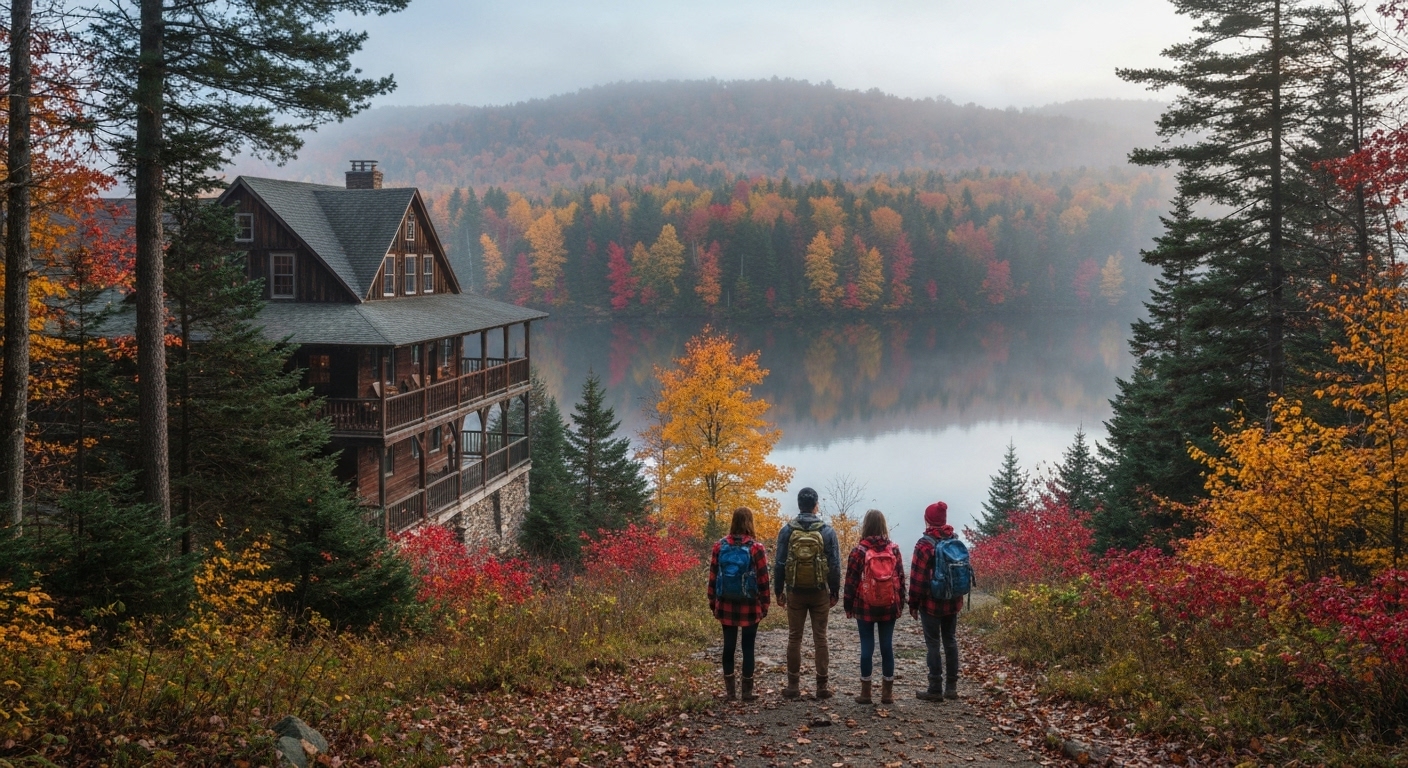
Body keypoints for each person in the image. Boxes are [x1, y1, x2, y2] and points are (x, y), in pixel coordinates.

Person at [774, 486, 841, 699]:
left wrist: (778, 591)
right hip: (820, 591)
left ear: (799, 504)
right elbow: (835, 564)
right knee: (820, 638)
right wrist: (835, 591)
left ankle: (793, 686)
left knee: (795, 637)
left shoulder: (787, 530)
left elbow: (780, 563)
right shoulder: (827, 531)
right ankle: (821, 687)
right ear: (815, 505)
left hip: (795, 591)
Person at [707, 507, 771, 702]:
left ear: (733, 522)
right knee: (748, 647)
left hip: (725, 603)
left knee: (728, 646)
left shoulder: (719, 546)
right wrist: (765, 604)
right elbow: (763, 579)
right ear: (750, 522)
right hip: (750, 605)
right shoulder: (756, 548)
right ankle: (747, 692)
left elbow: (713, 576)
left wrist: (713, 601)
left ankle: (730, 693)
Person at [843, 509, 906, 705]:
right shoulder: (893, 549)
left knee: (866, 646)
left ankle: (866, 693)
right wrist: (900, 603)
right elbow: (901, 578)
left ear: (866, 526)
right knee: (887, 646)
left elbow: (851, 581)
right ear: (883, 526)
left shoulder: (859, 551)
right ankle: (887, 694)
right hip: (889, 605)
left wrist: (848, 605)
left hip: (865, 605)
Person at [908, 501, 965, 701]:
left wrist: (913, 604)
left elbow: (917, 579)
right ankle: (951, 688)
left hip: (931, 604)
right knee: (950, 641)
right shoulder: (955, 540)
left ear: (928, 520)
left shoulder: (924, 545)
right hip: (952, 601)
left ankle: (934, 688)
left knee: (933, 643)